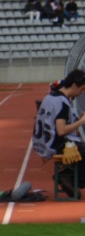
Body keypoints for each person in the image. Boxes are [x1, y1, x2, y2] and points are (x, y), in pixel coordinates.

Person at [31, 69, 85, 198]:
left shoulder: (51, 96)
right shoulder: (63, 103)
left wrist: (77, 119)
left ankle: (68, 176)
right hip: (54, 143)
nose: (82, 92)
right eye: (82, 89)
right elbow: (61, 130)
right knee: (83, 149)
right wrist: (81, 122)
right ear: (74, 85)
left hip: (43, 141)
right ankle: (71, 178)